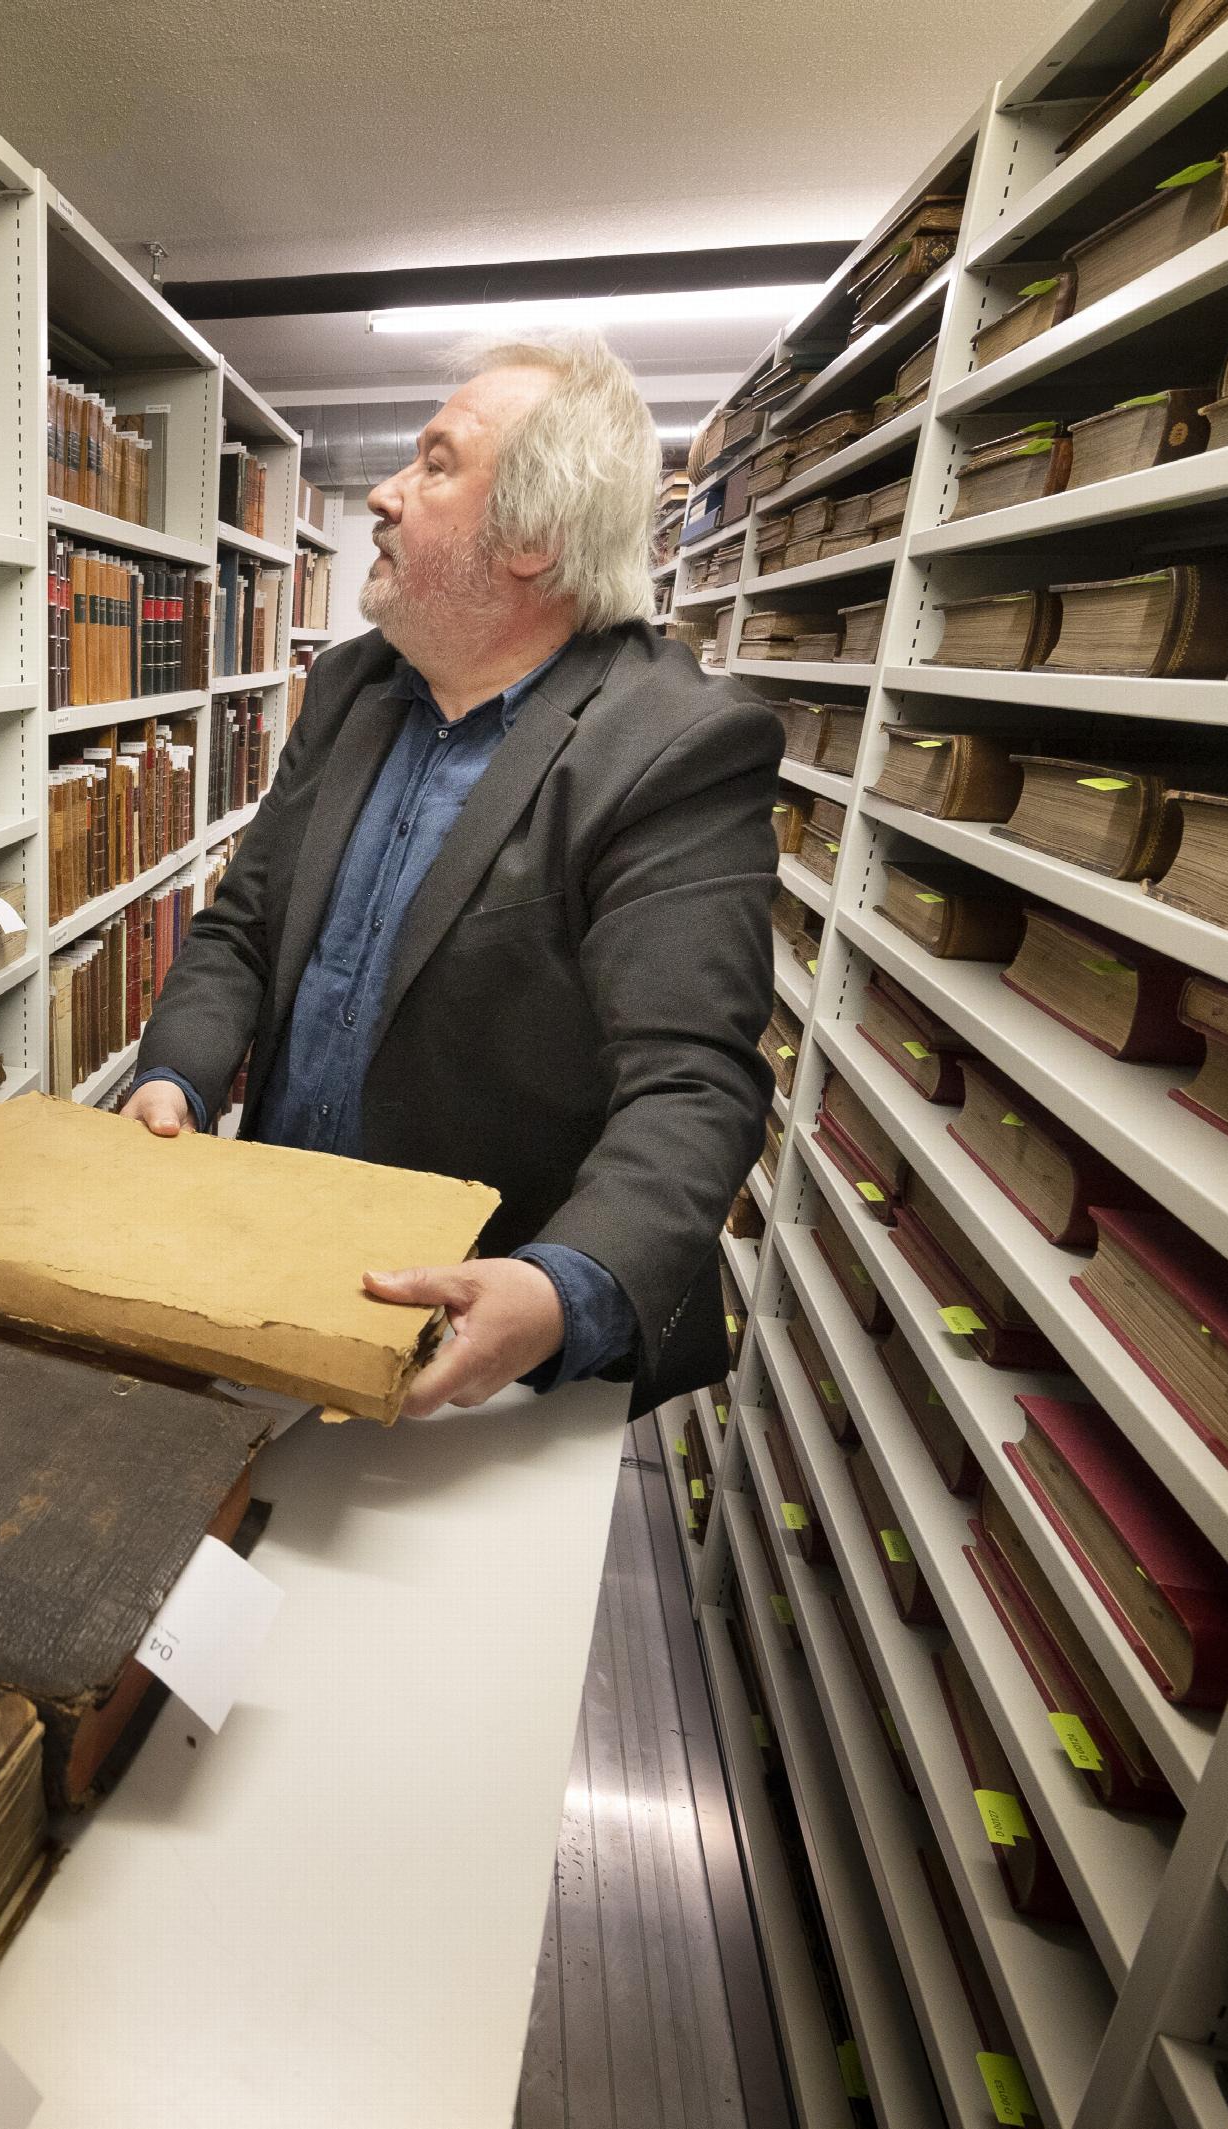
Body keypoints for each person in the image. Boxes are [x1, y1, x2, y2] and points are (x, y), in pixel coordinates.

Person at [122, 331, 780, 1419]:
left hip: (476, 1325)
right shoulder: (349, 687)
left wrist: (558, 1286)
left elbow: (690, 1081)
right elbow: (242, 926)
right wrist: (174, 1079)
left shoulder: (673, 748)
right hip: (269, 1262)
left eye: (433, 463)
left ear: (532, 536)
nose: (380, 494)